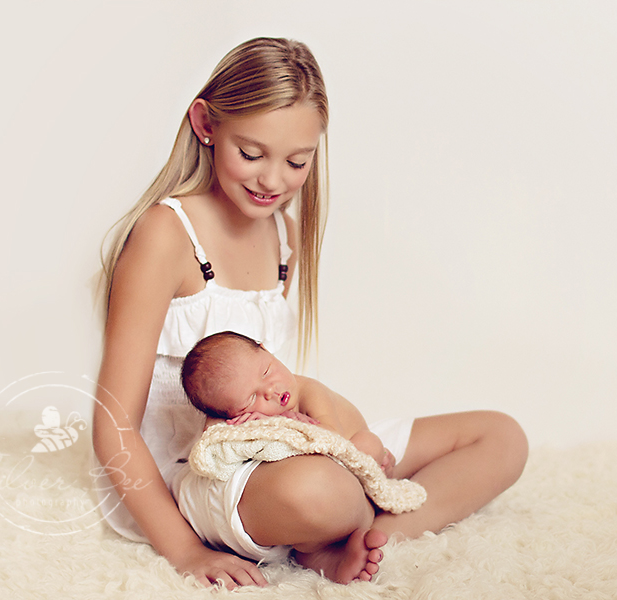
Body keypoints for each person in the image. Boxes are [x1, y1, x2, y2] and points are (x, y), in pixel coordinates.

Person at [92, 36, 528, 590]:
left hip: (290, 442)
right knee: (318, 491)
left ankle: (365, 536)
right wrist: (184, 552)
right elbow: (114, 425)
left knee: (500, 437)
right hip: (198, 476)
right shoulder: (166, 235)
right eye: (251, 154)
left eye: (297, 161)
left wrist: (347, 438)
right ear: (206, 124)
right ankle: (347, 518)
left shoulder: (284, 235)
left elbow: (287, 389)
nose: (272, 181)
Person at [181, 331, 396, 474]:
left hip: (355, 445)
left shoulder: (309, 391)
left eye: (266, 372)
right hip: (330, 474)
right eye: (251, 398)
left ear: (265, 349)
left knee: (368, 443)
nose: (270, 390)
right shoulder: (255, 418)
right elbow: (212, 433)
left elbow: (335, 438)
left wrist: (290, 421)